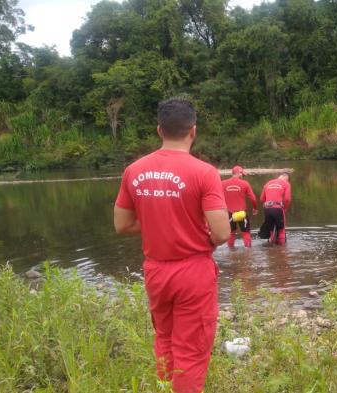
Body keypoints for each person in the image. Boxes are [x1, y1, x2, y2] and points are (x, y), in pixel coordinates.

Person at [113, 98, 230, 393]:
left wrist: (158, 223)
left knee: (164, 338)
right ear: (193, 131)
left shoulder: (134, 171)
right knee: (191, 348)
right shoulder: (204, 172)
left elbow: (122, 225)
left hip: (155, 272)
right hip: (192, 271)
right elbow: (222, 232)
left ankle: (166, 388)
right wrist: (195, 229)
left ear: (159, 130)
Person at [221, 165, 258, 248]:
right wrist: (255, 208)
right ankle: (248, 252)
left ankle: (231, 252)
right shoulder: (245, 184)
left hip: (229, 213)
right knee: (246, 232)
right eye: (242, 175)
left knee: (231, 232)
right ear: (239, 173)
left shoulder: (222, 183)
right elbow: (253, 198)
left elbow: (216, 197)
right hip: (242, 213)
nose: (243, 177)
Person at [259, 173, 292, 245]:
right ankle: (282, 251)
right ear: (287, 179)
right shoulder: (286, 184)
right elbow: (287, 199)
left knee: (271, 230)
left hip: (267, 209)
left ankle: (271, 247)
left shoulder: (268, 183)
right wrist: (285, 208)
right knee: (281, 230)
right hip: (278, 209)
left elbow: (261, 199)